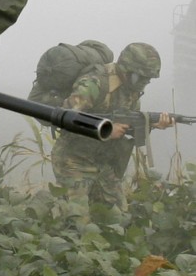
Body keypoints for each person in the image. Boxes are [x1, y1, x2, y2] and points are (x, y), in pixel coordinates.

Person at [51, 42, 174, 220]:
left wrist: (152, 124)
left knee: (119, 219)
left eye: (147, 79)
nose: (144, 83)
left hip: (103, 163)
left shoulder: (131, 91)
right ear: (127, 70)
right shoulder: (94, 83)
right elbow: (64, 119)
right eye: (141, 77)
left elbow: (125, 125)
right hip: (74, 160)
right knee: (76, 221)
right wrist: (105, 130)